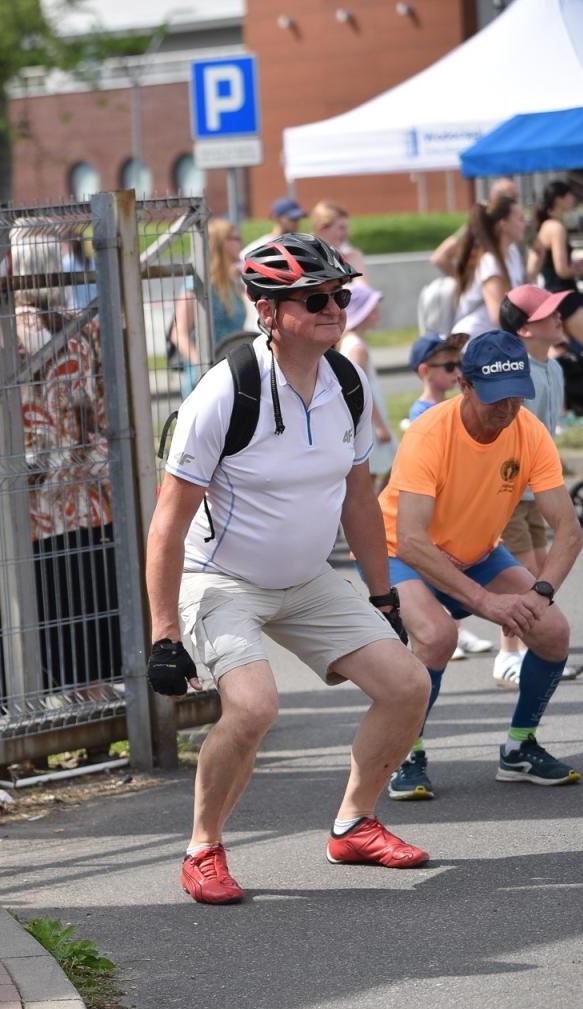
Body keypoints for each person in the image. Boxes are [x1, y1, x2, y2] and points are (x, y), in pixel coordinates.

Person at [145, 231, 430, 905]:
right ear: (267, 312)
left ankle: (354, 823)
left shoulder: (349, 383)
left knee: (407, 685)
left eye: (341, 293)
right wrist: (164, 634)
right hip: (222, 579)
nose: (336, 307)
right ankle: (202, 848)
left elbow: (360, 497)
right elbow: (167, 522)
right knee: (253, 707)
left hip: (307, 578)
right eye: (316, 298)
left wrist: (382, 596)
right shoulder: (226, 393)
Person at [380, 331, 583, 801]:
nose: (506, 408)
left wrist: (539, 594)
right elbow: (410, 539)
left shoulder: (528, 430)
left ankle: (520, 748)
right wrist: (484, 602)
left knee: (552, 631)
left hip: (477, 552)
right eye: (494, 396)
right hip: (403, 552)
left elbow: (569, 531)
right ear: (464, 386)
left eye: (516, 395)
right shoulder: (429, 432)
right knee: (437, 637)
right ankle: (408, 754)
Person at [0, 220, 121, 704]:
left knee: (15, 617)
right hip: (79, 498)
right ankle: (89, 697)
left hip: (6, 503)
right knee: (80, 609)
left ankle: (19, 709)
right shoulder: (83, 329)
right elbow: (107, 412)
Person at [488, 285, 571, 688]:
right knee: (520, 576)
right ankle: (507, 655)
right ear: (523, 329)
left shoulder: (554, 367)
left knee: (539, 571)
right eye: (548, 313)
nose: (558, 317)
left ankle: (535, 651)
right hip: (507, 495)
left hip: (536, 493)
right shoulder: (514, 374)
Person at [402, 332, 497, 665]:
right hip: (435, 504)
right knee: (436, 570)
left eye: (460, 364)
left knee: (453, 566)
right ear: (426, 370)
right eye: (449, 365)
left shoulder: (453, 407)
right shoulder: (423, 413)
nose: (457, 371)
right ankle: (441, 627)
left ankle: (455, 627)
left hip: (457, 504)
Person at [170, 218, 247, 397]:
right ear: (221, 244)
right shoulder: (196, 285)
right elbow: (178, 333)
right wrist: (203, 365)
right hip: (205, 378)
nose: (241, 243)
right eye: (235, 238)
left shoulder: (234, 283)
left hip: (234, 371)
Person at [526, 180, 583, 346]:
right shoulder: (556, 228)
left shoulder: (545, 226)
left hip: (552, 297)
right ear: (559, 199)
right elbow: (562, 269)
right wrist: (580, 269)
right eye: (569, 194)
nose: (573, 198)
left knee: (563, 354)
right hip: (564, 295)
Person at [338, 286, 395, 489]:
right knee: (370, 477)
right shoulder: (357, 348)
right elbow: (360, 389)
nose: (377, 314)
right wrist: (380, 426)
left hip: (365, 419)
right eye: (372, 309)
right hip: (368, 422)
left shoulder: (350, 342)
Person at [450, 192, 527, 338]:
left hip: (495, 340)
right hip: (474, 343)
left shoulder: (513, 252)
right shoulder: (490, 262)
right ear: (504, 224)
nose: (525, 223)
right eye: (520, 219)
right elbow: (498, 316)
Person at [431, 178, 522, 280]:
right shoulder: (481, 223)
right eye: (513, 198)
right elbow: (439, 257)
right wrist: (466, 283)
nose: (517, 203)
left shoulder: (513, 227)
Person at [308, 200, 369, 276]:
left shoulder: (345, 251)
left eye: (347, 228)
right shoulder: (308, 255)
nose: (347, 233)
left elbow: (362, 286)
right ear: (322, 229)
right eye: (341, 228)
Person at [240, 195, 305, 256]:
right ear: (276, 218)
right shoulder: (262, 245)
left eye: (298, 218)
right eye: (292, 218)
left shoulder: (302, 244)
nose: (297, 222)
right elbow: (243, 257)